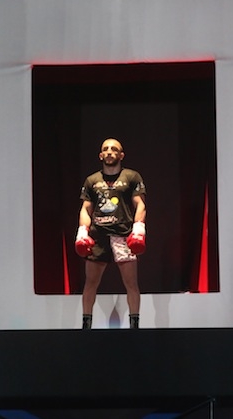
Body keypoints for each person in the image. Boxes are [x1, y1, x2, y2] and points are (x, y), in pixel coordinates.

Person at [75, 138, 147, 329]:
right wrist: (82, 232)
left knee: (131, 284)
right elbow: (86, 208)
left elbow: (140, 204)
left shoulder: (131, 177)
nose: (109, 152)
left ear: (121, 155)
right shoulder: (92, 180)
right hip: (98, 236)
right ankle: (86, 326)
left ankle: (134, 326)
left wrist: (138, 229)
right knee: (90, 283)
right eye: (105, 149)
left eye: (114, 149)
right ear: (100, 155)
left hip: (123, 235)